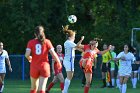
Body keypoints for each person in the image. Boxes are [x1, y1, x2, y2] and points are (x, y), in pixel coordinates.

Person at [25, 26, 61, 93]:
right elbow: (54, 54)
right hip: (44, 67)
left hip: (34, 66)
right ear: (43, 32)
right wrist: (59, 62)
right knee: (42, 89)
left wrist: (29, 58)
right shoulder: (47, 41)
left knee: (33, 88)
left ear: (35, 33)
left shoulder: (31, 42)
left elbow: (27, 55)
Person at [62, 25, 84, 93]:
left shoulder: (69, 43)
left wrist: (85, 50)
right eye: (73, 36)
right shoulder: (68, 42)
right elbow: (77, 46)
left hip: (67, 61)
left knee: (69, 77)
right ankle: (64, 91)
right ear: (70, 37)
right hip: (69, 61)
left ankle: (64, 90)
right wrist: (81, 39)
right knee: (69, 77)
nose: (74, 37)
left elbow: (77, 48)